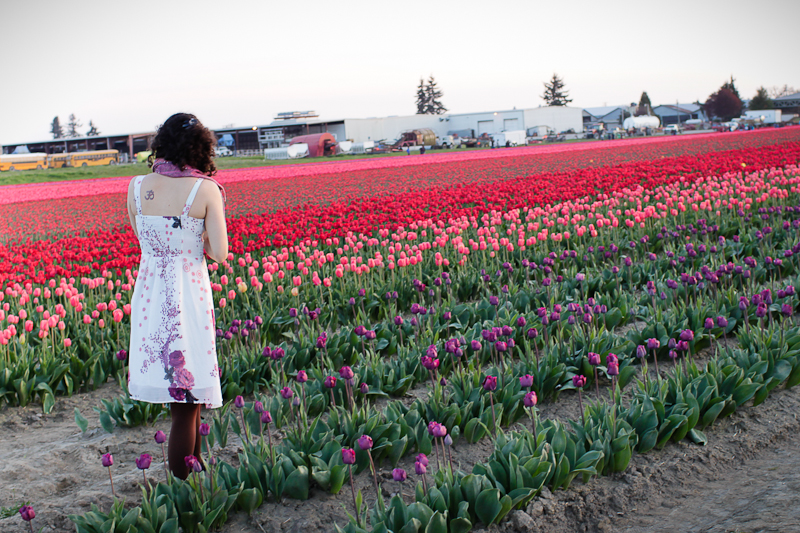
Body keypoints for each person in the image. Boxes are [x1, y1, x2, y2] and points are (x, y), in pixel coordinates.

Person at [126, 113, 228, 480]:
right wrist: (194, 238)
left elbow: (144, 238)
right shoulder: (205, 190)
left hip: (150, 294)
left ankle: (195, 475)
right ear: (201, 147)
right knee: (186, 400)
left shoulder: (137, 186)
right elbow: (220, 252)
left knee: (185, 397)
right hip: (187, 295)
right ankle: (183, 487)